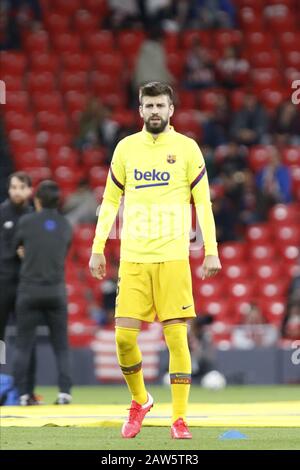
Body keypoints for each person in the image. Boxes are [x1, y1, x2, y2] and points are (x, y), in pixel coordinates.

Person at [89, 81, 221, 439]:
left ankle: (179, 418)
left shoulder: (188, 148)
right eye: (148, 106)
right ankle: (140, 400)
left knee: (177, 341)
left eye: (160, 105)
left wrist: (211, 249)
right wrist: (97, 246)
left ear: (171, 110)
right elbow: (111, 201)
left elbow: (203, 204)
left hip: (173, 258)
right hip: (133, 259)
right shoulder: (126, 148)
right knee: (123, 339)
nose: (155, 112)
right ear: (140, 110)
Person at [13, 180, 73, 405]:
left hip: (29, 290)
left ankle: (21, 394)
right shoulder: (65, 224)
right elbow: (63, 251)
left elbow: (14, 248)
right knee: (61, 345)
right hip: (56, 290)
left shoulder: (26, 221)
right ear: (58, 201)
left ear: (37, 199)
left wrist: (24, 254)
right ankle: (64, 393)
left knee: (23, 345)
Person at [0, 171, 39, 405]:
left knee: (27, 339)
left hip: (25, 286)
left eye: (21, 187)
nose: (17, 191)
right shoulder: (1, 212)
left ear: (30, 190)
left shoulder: (34, 215)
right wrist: (16, 250)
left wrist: (30, 253)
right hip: (2, 283)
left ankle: (27, 391)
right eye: (13, 187)